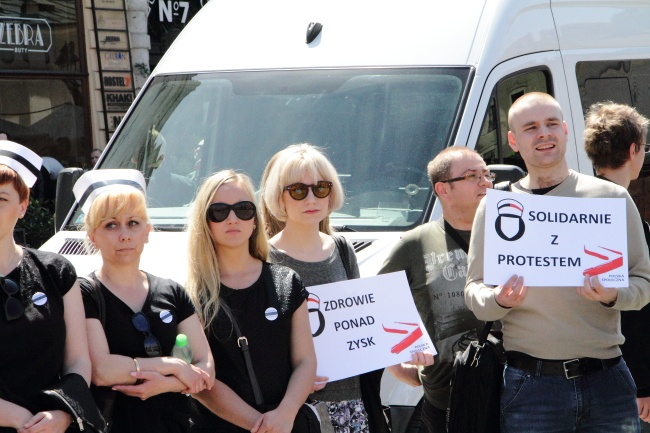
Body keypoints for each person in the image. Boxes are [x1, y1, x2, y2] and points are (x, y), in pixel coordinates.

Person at [465, 92, 650, 432]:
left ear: (566, 131)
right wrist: (497, 300)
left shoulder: (610, 199)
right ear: (513, 140)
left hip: (608, 381)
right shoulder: (496, 207)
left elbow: (643, 285)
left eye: (551, 124)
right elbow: (473, 292)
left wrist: (612, 294)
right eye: (531, 127)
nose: (544, 134)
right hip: (532, 388)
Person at [261, 143, 424, 433]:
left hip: (353, 403)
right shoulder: (265, 260)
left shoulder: (342, 248)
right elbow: (263, 340)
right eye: (298, 190)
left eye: (320, 188)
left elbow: (363, 328)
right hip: (297, 408)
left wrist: (406, 368)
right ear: (279, 197)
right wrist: (295, 381)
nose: (311, 198)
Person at [73, 168, 214, 433]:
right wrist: (173, 367)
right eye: (111, 225)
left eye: (133, 223)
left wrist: (166, 384)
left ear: (147, 232)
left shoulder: (173, 291)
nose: (124, 234)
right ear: (93, 236)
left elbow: (206, 369)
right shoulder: (84, 293)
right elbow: (102, 370)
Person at [186, 170, 316, 433]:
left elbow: (306, 361)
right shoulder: (191, 295)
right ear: (205, 221)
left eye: (243, 209)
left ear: (255, 219)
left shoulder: (287, 282)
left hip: (289, 424)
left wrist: (285, 414)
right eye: (219, 211)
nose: (232, 218)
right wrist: (262, 426)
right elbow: (202, 382)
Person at [378, 147, 492, 433]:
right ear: (443, 189)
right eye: (472, 175)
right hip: (446, 401)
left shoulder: (513, 233)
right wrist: (400, 367)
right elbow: (375, 305)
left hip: (514, 391)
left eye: (486, 174)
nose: (485, 181)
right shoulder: (414, 244)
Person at [0, 140, 92, 432]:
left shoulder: (56, 271)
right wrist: (17, 418)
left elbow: (78, 360)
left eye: (1, 198)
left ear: (23, 206)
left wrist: (64, 414)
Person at [583, 101, 650, 430]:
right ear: (635, 149)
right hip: (618, 376)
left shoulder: (574, 204)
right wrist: (645, 385)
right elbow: (636, 313)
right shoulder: (621, 210)